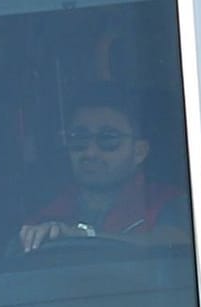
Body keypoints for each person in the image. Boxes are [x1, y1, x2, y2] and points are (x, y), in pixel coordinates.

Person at [19, 90, 188, 250]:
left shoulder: (169, 203)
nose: (90, 152)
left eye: (108, 139)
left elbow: (176, 243)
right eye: (79, 138)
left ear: (139, 152)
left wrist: (85, 236)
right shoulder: (49, 215)